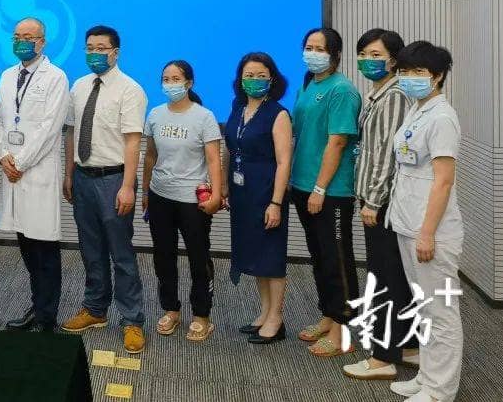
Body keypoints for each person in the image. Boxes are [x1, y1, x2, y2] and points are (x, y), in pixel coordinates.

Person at [62, 26, 148, 354]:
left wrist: (128, 186)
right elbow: (72, 133)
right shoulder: (79, 86)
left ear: (115, 52)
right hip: (83, 177)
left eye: (101, 47)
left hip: (114, 180)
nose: (94, 53)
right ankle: (95, 309)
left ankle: (132, 320)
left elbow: (133, 142)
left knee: (121, 253)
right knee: (90, 249)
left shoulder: (130, 90)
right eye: (89, 47)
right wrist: (69, 173)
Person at [386, 42, 463, 402]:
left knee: (441, 311)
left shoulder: (442, 117)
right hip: (407, 222)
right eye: (404, 71)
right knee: (424, 306)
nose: (409, 78)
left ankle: (439, 390)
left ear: (438, 75)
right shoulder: (418, 110)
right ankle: (427, 377)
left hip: (431, 230)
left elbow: (443, 181)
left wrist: (427, 233)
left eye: (418, 72)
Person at [343, 29, 419, 380]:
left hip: (382, 203)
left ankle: (382, 357)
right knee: (393, 276)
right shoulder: (379, 94)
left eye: (375, 54)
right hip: (377, 200)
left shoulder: (394, 97)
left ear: (393, 60)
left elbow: (387, 154)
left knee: (385, 279)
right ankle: (406, 346)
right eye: (362, 54)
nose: (367, 60)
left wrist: (372, 201)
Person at [290, 26, 361, 357]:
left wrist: (320, 188)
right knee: (319, 256)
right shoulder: (308, 84)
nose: (313, 53)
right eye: (309, 47)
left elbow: (338, 141)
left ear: (335, 54)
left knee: (338, 259)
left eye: (320, 48)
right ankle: (328, 315)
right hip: (303, 186)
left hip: (330, 191)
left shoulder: (342, 90)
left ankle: (343, 330)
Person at [0, 17, 69, 333]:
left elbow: (50, 128)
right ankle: (37, 307)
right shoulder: (6, 76)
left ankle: (46, 317)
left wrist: (21, 162)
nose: (22, 41)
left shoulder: (56, 77)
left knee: (45, 250)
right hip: (12, 169)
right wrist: (3, 156)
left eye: (29, 36)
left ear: (42, 42)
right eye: (17, 36)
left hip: (36, 172)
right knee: (26, 246)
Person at [142, 60, 223, 342]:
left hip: (192, 201)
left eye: (175, 79)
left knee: (198, 258)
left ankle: (202, 315)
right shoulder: (155, 114)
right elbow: (150, 156)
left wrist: (217, 195)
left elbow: (213, 159)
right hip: (160, 196)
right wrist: (145, 193)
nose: (170, 84)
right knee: (163, 256)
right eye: (166, 79)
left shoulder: (204, 117)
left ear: (189, 83)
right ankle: (171, 309)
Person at [224, 52, 292, 344]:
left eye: (261, 75)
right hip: (242, 193)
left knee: (271, 255)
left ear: (272, 79)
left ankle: (277, 318)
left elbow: (284, 162)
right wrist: (224, 187)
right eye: (248, 75)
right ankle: (264, 312)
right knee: (254, 254)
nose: (254, 80)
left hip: (266, 192)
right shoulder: (238, 107)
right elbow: (230, 148)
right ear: (240, 79)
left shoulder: (278, 114)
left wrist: (276, 202)